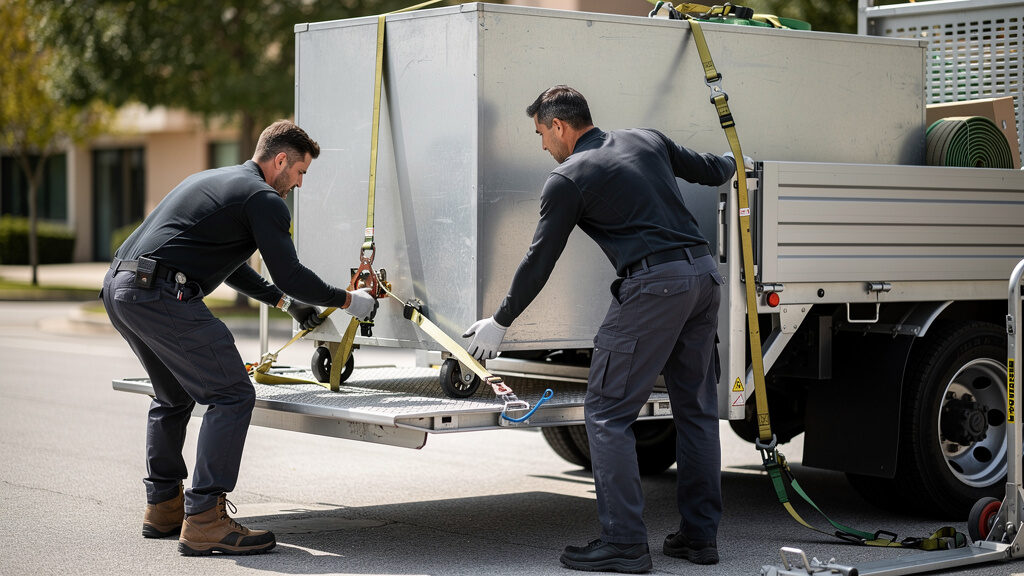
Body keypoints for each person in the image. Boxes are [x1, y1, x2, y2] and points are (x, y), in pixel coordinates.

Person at [463, 86, 736, 573]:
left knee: (607, 414)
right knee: (695, 412)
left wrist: (501, 321)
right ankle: (700, 539)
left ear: (560, 127)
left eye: (542, 134)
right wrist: (739, 160)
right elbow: (714, 169)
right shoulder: (645, 140)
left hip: (655, 288)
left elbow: (539, 259)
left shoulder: (567, 177)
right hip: (702, 278)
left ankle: (626, 544)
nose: (543, 145)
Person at [101, 120, 375, 556]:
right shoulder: (265, 198)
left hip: (121, 288)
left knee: (172, 396)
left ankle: (164, 506)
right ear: (280, 160)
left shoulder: (215, 180)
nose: (300, 184)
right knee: (231, 395)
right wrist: (347, 300)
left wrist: (285, 304)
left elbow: (235, 265)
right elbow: (290, 272)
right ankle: (206, 518)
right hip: (160, 293)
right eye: (301, 172)